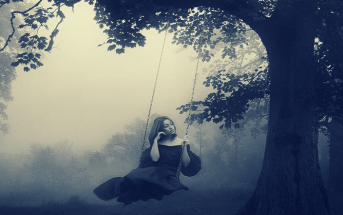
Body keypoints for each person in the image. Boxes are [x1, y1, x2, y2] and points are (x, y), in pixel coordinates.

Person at [93, 116, 201, 205]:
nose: (171, 127)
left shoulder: (181, 142)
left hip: (168, 173)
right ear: (161, 130)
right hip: (153, 170)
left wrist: (185, 147)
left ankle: (130, 194)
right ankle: (127, 194)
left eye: (171, 124)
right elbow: (155, 159)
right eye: (166, 126)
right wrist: (155, 141)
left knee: (145, 176)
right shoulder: (158, 143)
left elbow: (186, 164)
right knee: (136, 175)